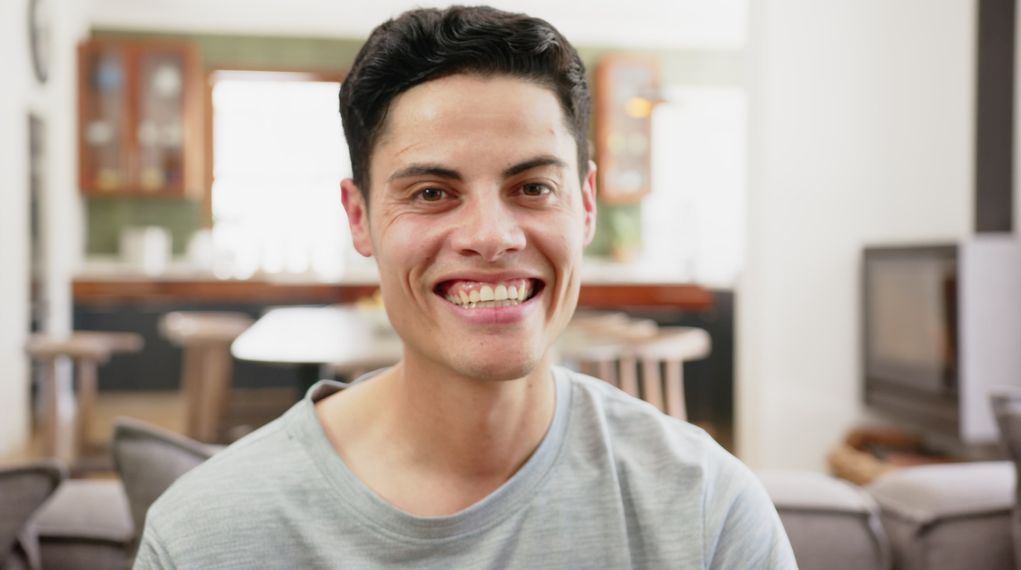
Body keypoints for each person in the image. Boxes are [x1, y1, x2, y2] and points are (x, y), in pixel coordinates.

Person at [135, 6, 796, 568]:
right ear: (359, 218)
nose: (491, 235)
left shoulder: (708, 511)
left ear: (585, 206)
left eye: (533, 187)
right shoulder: (203, 539)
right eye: (430, 192)